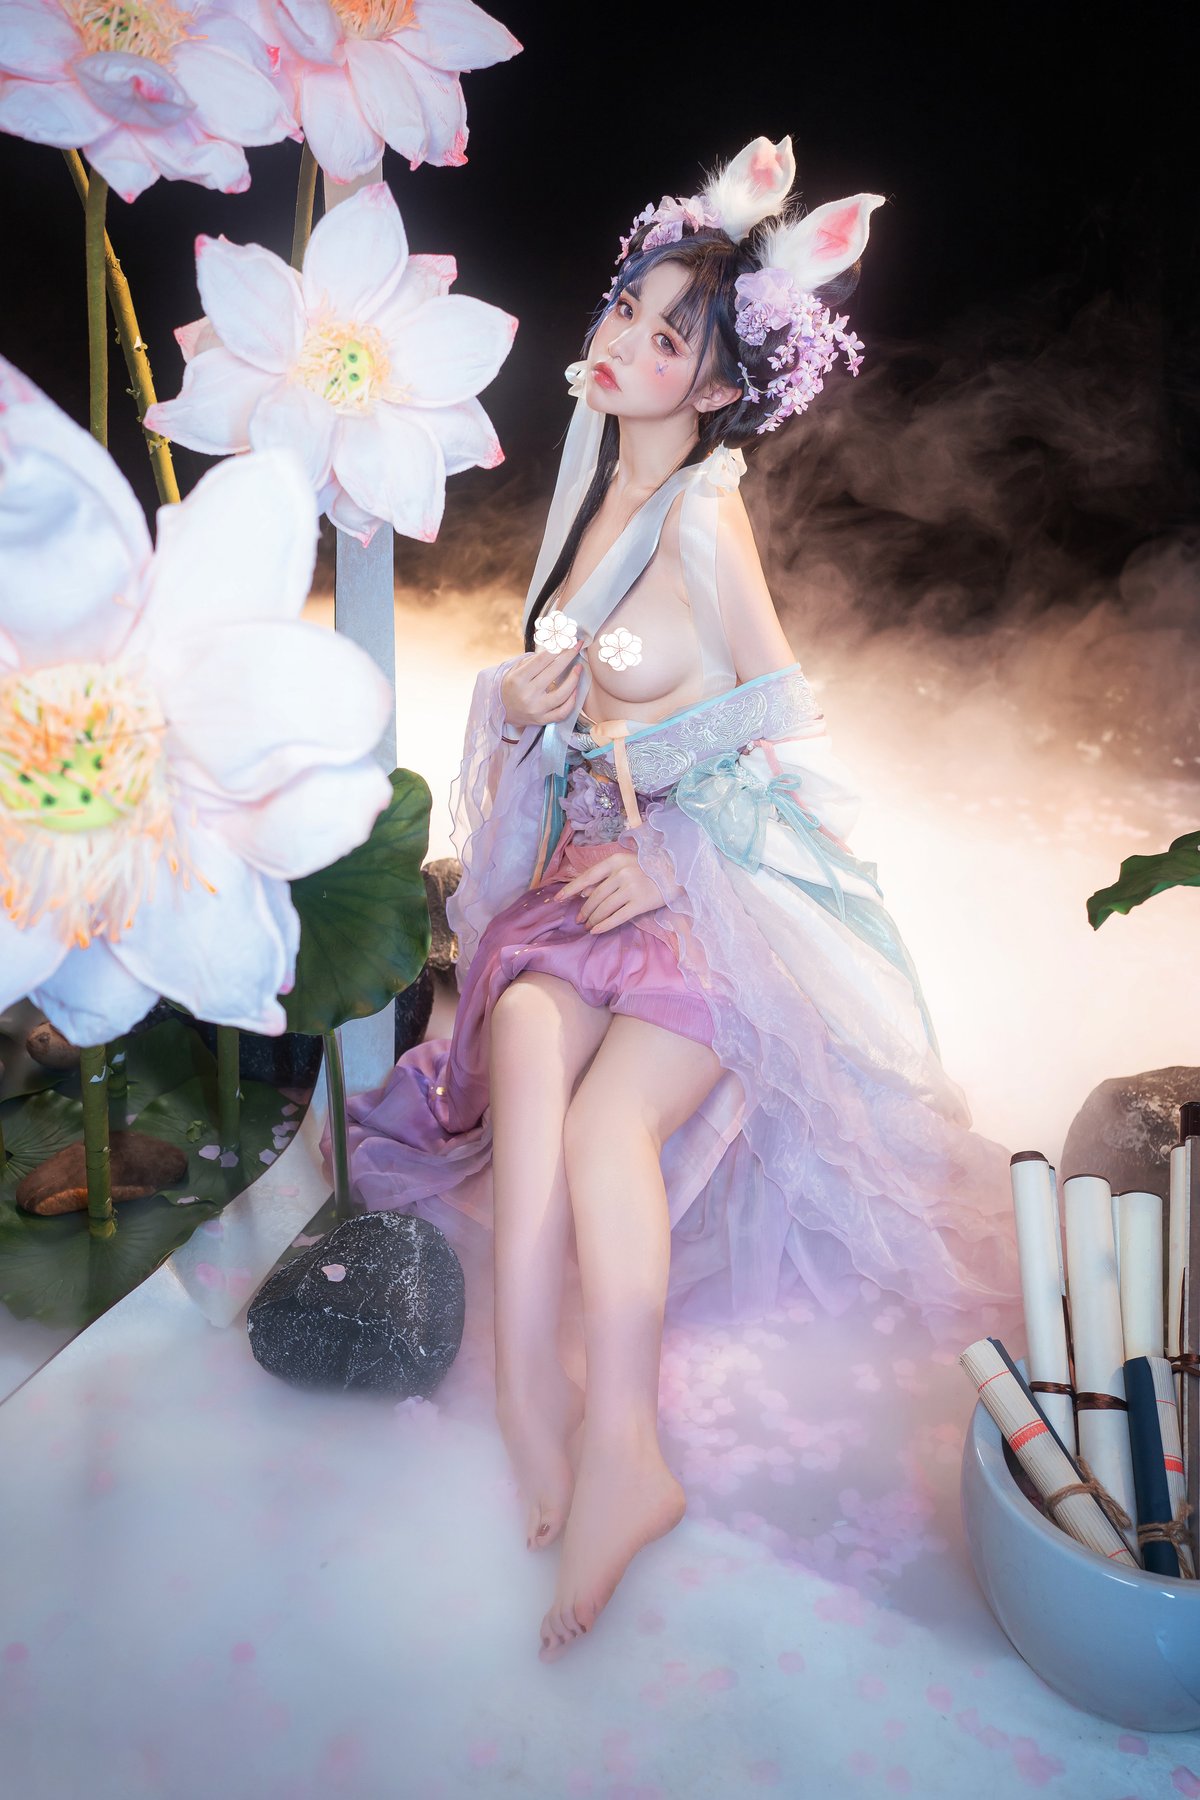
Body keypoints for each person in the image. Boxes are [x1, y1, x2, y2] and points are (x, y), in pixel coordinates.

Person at [346, 136, 1020, 1662]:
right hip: (591, 881)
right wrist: (524, 700)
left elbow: (780, 715)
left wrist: (672, 842)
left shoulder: (708, 515)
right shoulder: (592, 494)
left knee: (603, 1127)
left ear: (716, 386)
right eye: (625, 312)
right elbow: (574, 704)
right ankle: (533, 1391)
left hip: (704, 892)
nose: (623, 344)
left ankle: (625, 1451)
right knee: (523, 1042)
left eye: (666, 339)